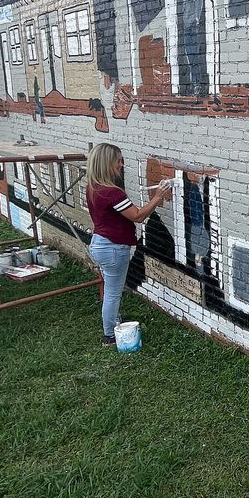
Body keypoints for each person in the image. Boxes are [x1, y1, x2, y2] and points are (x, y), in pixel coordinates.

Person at [85, 143, 169, 346]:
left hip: (99, 243)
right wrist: (157, 197)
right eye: (118, 161)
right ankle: (109, 335)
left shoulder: (93, 188)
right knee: (113, 293)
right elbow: (138, 216)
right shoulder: (113, 193)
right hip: (113, 248)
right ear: (107, 163)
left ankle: (114, 321)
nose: (121, 165)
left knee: (109, 289)